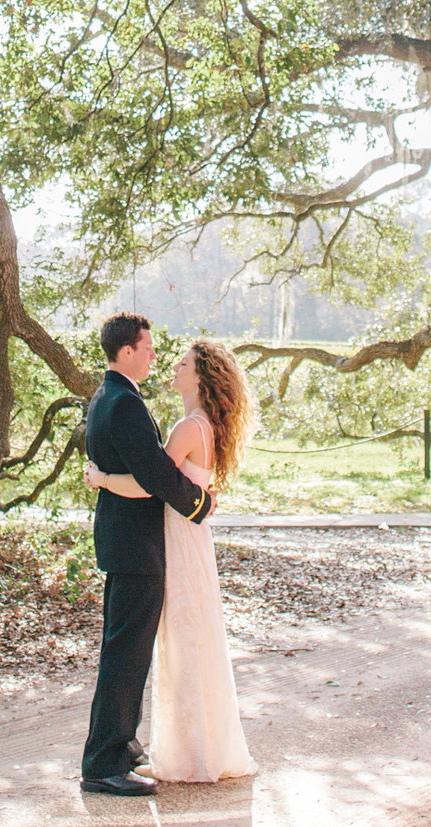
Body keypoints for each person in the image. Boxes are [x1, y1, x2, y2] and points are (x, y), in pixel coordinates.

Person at [83, 336, 257, 786]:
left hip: (165, 542)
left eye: (182, 362)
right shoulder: (136, 405)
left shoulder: (127, 403)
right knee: (143, 650)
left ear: (201, 376)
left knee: (159, 648)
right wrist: (200, 502)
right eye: (151, 349)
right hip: (158, 545)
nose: (165, 361)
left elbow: (151, 482)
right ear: (126, 351)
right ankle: (109, 761)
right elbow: (156, 480)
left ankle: (126, 751)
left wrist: (100, 478)